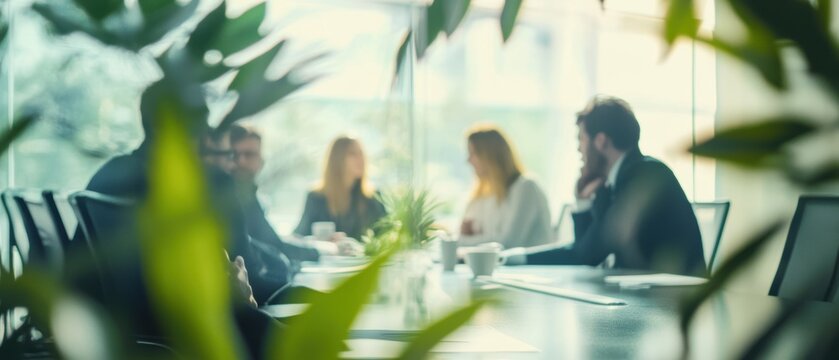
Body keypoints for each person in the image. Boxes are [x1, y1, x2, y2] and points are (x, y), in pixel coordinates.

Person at [79, 80, 285, 359]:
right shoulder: (204, 184)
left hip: (109, 332)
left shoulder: (107, 176)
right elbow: (237, 270)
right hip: (178, 329)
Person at [507, 96, 705, 276]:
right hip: (650, 296)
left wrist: (586, 202)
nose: (578, 149)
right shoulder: (624, 177)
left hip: (672, 301)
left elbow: (589, 255)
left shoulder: (642, 175)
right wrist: (583, 201)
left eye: (581, 139)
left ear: (601, 141)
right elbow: (584, 253)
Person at [226, 124, 324, 265]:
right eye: (234, 155)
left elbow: (271, 242)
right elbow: (274, 247)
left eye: (249, 155)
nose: (240, 161)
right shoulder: (232, 199)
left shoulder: (249, 196)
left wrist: (317, 249)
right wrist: (318, 251)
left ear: (261, 161)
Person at [457, 126, 552, 249]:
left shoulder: (526, 187)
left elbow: (509, 242)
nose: (468, 161)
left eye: (473, 153)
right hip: (503, 267)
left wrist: (462, 241)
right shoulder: (485, 195)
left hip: (529, 266)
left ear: (490, 156)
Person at [294, 136, 386, 240]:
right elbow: (299, 236)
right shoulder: (316, 197)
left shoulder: (373, 197)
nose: (360, 159)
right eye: (353, 154)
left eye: (361, 153)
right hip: (326, 256)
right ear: (337, 159)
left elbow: (387, 237)